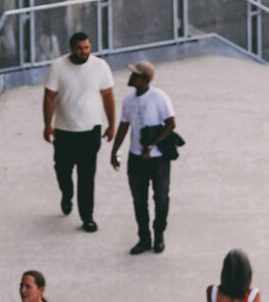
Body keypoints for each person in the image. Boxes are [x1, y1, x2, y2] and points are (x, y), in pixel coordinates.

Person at [41, 29, 116, 231]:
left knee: (87, 176)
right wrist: (47, 125)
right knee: (62, 170)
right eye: (80, 49)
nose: (84, 52)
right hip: (64, 130)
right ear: (71, 49)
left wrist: (112, 124)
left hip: (90, 130)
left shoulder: (100, 66)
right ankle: (67, 194)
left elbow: (108, 95)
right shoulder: (57, 67)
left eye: (87, 48)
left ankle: (87, 217)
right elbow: (49, 97)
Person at [111, 59, 176, 255]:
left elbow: (171, 124)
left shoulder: (159, 97)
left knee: (161, 198)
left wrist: (151, 145)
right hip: (135, 158)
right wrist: (115, 151)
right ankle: (144, 238)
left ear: (145, 79)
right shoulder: (128, 101)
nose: (131, 77)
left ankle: (159, 235)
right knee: (139, 200)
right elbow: (124, 126)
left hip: (157, 159)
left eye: (135, 74)